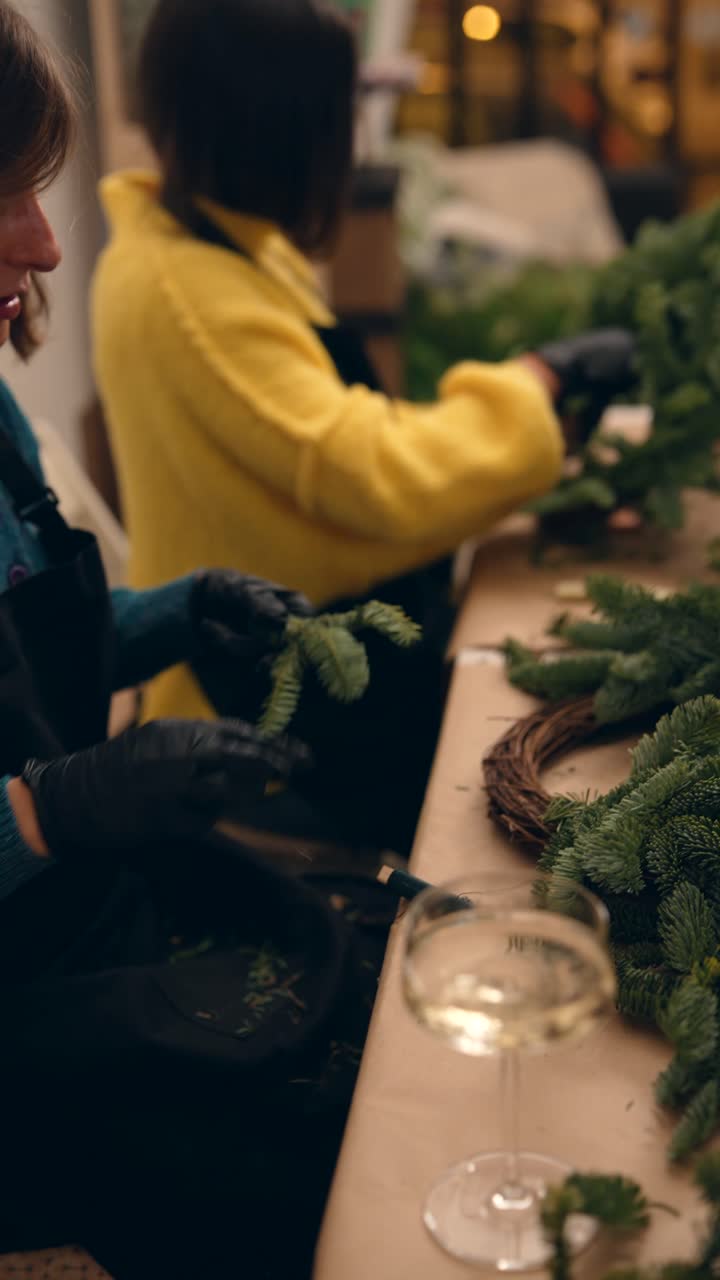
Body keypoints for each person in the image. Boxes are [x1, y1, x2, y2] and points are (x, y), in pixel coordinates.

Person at [0, 6, 391, 1277]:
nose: (47, 243)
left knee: (396, 973)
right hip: (27, 1026)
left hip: (93, 918)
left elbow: (28, 644)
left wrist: (170, 611)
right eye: (0, 197)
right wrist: (55, 809)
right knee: (349, 1186)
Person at [92, 0, 635, 849]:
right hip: (267, 723)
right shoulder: (183, 292)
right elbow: (374, 477)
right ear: (278, 131)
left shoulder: (226, 246)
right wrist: (538, 378)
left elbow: (337, 440)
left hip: (328, 668)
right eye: (340, 114)